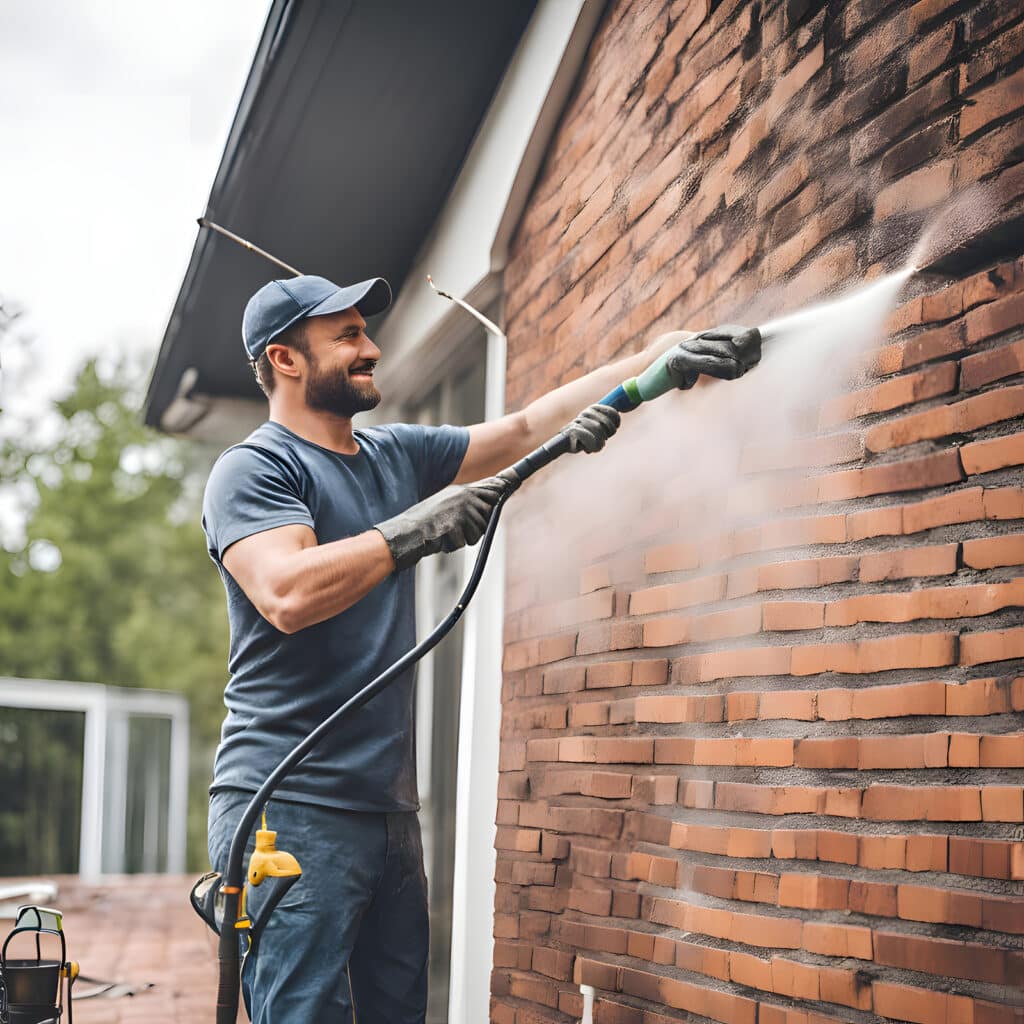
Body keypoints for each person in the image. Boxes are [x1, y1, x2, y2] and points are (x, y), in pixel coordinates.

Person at [202, 272, 760, 1023]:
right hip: (288, 804)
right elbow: (288, 594)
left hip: (387, 811)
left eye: (366, 331)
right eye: (347, 336)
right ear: (286, 359)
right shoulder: (257, 469)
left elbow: (525, 429)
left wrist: (654, 359)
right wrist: (415, 530)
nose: (371, 347)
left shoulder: (393, 456)